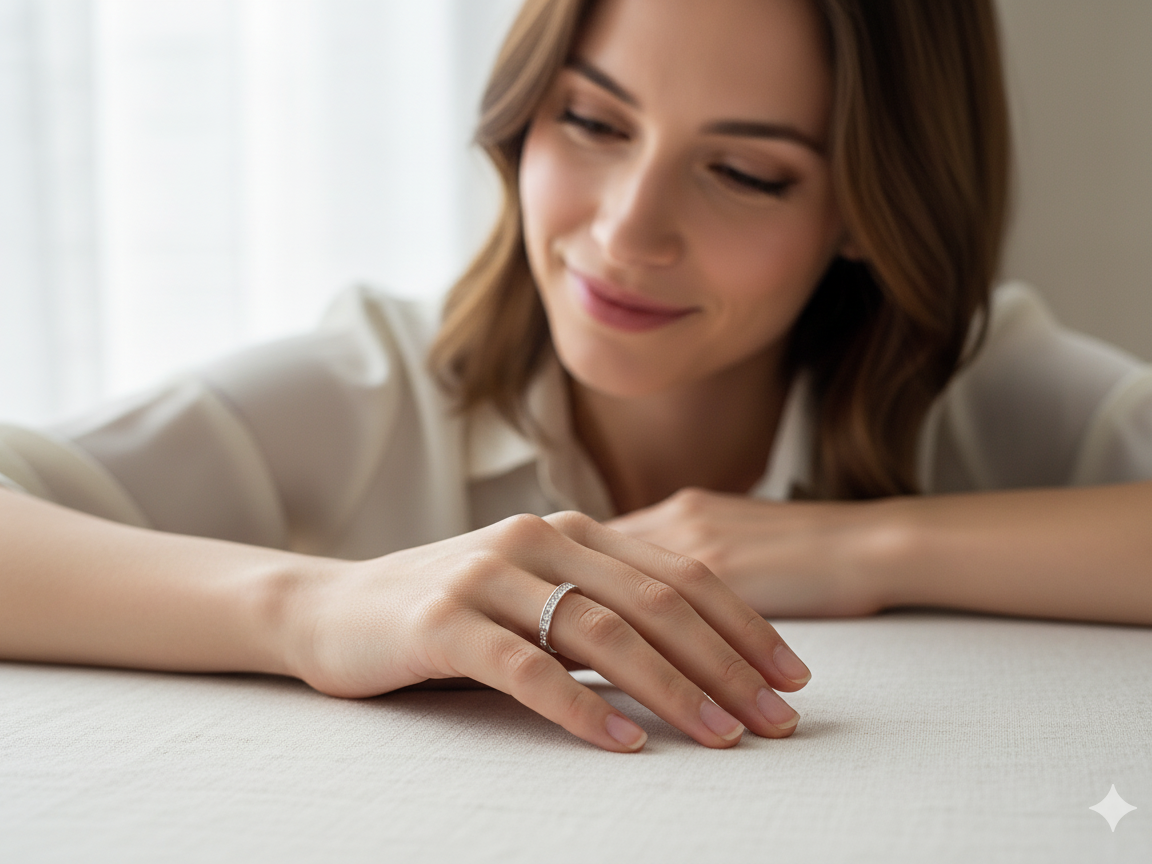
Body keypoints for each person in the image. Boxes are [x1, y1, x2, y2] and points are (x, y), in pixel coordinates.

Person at [1, 0, 1150, 755]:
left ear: (866, 208)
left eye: (745, 173)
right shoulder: (369, 390)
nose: (627, 230)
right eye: (592, 120)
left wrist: (871, 547)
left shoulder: (978, 381)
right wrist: (317, 604)